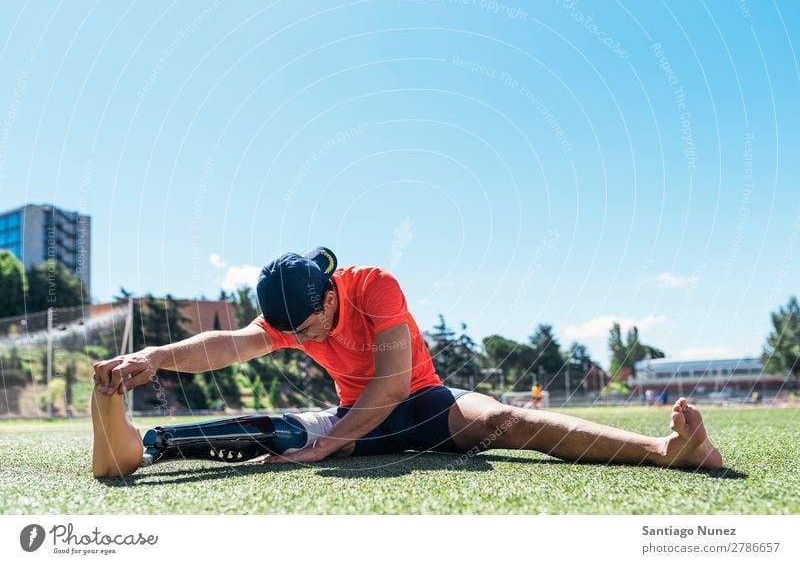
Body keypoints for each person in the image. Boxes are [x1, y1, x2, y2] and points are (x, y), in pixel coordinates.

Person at [90, 247, 722, 478]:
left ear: (332, 293)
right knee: (282, 431)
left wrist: (329, 444)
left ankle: (666, 451)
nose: (301, 339)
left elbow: (393, 386)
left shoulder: (375, 287)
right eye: (291, 334)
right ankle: (147, 446)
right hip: (356, 420)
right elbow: (229, 345)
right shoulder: (294, 316)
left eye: (307, 328)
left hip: (426, 406)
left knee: (508, 420)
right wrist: (154, 356)